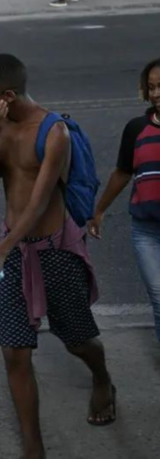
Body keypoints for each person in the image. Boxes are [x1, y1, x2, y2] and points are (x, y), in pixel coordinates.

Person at [0, 54, 115, 458]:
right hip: (13, 253)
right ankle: (34, 448)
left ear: (9, 95)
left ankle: (102, 378)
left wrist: (0, 250)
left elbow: (38, 203)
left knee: (78, 339)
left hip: (54, 249)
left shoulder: (55, 133)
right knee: (15, 352)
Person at [89, 58, 160, 345]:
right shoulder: (137, 129)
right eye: (151, 87)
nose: (156, 93)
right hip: (146, 231)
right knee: (158, 295)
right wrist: (99, 210)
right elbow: (122, 173)